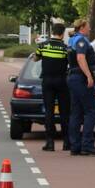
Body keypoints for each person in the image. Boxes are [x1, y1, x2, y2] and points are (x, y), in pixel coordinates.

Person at [33, 23, 71, 151]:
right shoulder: (65, 48)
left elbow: (35, 59)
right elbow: (70, 62)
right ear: (62, 33)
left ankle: (50, 142)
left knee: (49, 112)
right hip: (62, 81)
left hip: (47, 81)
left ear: (52, 32)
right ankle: (67, 142)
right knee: (64, 111)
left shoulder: (42, 46)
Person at [66, 18, 95, 156]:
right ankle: (87, 144)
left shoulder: (72, 39)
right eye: (88, 27)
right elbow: (81, 58)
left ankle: (75, 146)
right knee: (91, 110)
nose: (90, 29)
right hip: (80, 78)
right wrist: (89, 76)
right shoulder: (81, 41)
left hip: (73, 78)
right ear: (82, 28)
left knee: (76, 112)